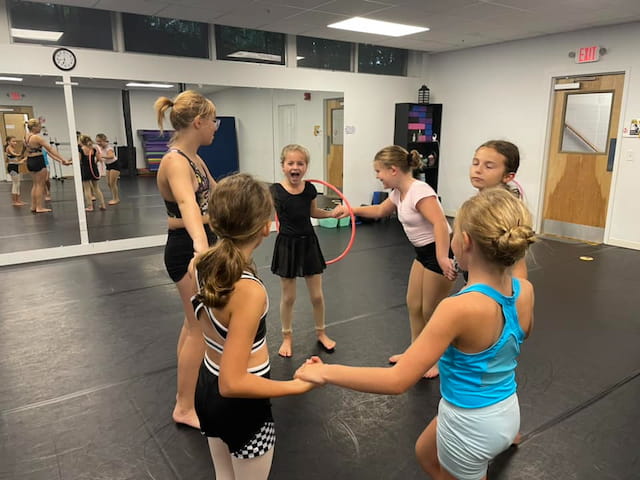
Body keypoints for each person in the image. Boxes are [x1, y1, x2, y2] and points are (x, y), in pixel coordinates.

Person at [296, 187, 536, 480]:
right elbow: (515, 335)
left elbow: (397, 381)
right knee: (425, 451)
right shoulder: (525, 291)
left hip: (469, 424)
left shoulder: (457, 309)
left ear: (465, 242)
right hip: (506, 411)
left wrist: (326, 374)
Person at [192, 173, 316, 480]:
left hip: (206, 389)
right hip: (242, 407)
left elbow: (199, 326)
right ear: (266, 226)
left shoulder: (198, 264)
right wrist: (296, 386)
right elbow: (232, 383)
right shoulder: (249, 291)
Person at [336, 145, 456, 378]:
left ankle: (438, 360)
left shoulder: (419, 191)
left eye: (378, 171)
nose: (377, 176)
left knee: (432, 311)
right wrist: (350, 210)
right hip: (421, 253)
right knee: (414, 306)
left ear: (393, 170)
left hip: (437, 252)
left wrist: (443, 257)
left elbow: (440, 223)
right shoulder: (398, 192)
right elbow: (381, 211)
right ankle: (416, 353)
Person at [155, 90, 219, 429]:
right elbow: (189, 206)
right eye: (213, 121)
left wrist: (252, 201)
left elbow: (216, 192)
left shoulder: (195, 158)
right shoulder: (176, 161)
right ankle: (184, 407)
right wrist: (201, 246)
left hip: (200, 242)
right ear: (198, 122)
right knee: (199, 329)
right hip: (185, 251)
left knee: (191, 324)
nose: (216, 127)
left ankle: (187, 389)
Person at [270, 144, 341, 358]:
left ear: (306, 167)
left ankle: (321, 332)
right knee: (289, 297)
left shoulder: (310, 189)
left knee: (317, 296)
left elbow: (313, 212)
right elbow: (265, 213)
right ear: (283, 166)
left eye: (300, 163)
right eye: (290, 163)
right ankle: (287, 336)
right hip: (287, 245)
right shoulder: (275, 191)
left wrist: (331, 214)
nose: (295, 167)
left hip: (309, 243)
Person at [469, 140, 527, 279]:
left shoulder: (505, 211)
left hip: (494, 284)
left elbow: (518, 261)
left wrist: (517, 294)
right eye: (475, 163)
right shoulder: (478, 203)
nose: (478, 170)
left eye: (489, 166)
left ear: (508, 176)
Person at [24, 119, 71, 213]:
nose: (40, 128)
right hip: (38, 161)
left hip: (30, 161)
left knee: (35, 185)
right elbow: (50, 149)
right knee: (40, 185)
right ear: (34, 127)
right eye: (39, 126)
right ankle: (39, 207)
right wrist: (63, 159)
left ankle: (33, 206)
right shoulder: (37, 138)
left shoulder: (25, 137)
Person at [78, 135, 106, 211]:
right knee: (96, 187)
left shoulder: (81, 149)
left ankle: (90, 206)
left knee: (87, 188)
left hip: (85, 169)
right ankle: (102, 204)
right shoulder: (93, 149)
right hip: (93, 168)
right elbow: (99, 159)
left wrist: (69, 162)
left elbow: (79, 160)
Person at [95, 133, 120, 205]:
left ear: (104, 140)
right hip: (108, 165)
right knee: (109, 183)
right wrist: (96, 162)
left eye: (100, 141)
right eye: (97, 141)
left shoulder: (109, 148)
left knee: (113, 183)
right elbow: (99, 156)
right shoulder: (100, 148)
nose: (98, 143)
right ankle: (114, 197)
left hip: (115, 165)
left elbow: (111, 156)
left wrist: (103, 156)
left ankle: (116, 198)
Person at [4, 136, 26, 206]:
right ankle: (15, 201)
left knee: (17, 184)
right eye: (13, 141)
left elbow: (14, 159)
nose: (15, 143)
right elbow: (16, 156)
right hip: (12, 168)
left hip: (14, 166)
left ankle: (18, 200)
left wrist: (22, 159)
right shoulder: (9, 148)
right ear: (8, 142)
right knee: (15, 184)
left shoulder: (12, 148)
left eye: (15, 141)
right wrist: (23, 157)